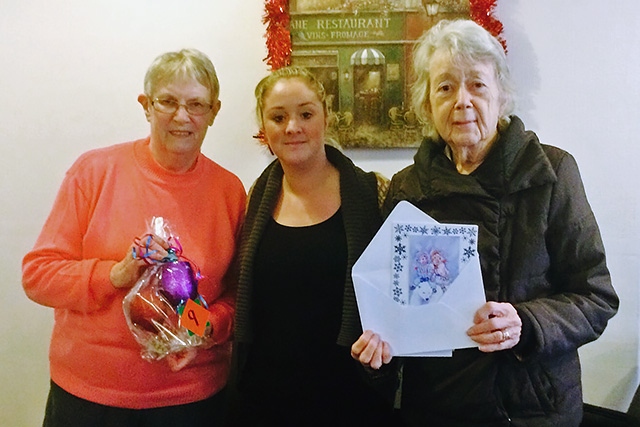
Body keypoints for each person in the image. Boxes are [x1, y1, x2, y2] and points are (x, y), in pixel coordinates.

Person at [351, 19, 619, 427]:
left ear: (502, 95)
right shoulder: (408, 187)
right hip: (436, 406)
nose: (461, 101)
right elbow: (397, 310)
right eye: (444, 87)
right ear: (427, 104)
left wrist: (526, 323)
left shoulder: (551, 172)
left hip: (528, 409)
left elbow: (596, 298)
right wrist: (380, 353)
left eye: (476, 84)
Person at [22, 48, 246, 427]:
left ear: (214, 111)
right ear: (145, 105)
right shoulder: (94, 172)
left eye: (196, 104)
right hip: (90, 397)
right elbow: (38, 276)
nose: (182, 116)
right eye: (168, 102)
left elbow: (237, 295)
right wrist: (117, 274)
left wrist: (200, 331)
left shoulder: (229, 191)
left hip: (190, 399)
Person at [228, 65, 396, 426]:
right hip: (267, 397)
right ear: (264, 127)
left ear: (327, 116)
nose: (292, 127)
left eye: (306, 113)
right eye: (278, 117)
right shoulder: (255, 197)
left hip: (352, 396)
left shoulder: (375, 193)